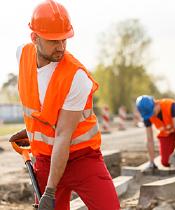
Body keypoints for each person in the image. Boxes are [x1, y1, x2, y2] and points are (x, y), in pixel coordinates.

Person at [9, 1, 120, 209]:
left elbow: (63, 135)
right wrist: (31, 131)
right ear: (34, 38)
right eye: (53, 41)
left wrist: (50, 192)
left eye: (64, 40)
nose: (61, 47)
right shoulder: (21, 55)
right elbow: (44, 111)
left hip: (83, 159)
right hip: (45, 159)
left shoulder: (76, 76)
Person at [136, 95, 175, 168]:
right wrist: (152, 162)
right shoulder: (147, 116)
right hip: (167, 134)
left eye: (152, 112)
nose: (152, 115)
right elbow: (149, 139)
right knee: (166, 162)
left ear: (156, 104)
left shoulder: (170, 105)